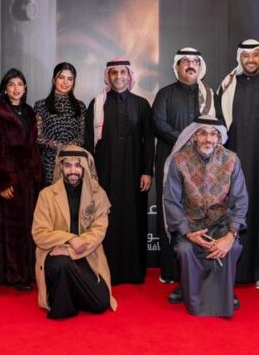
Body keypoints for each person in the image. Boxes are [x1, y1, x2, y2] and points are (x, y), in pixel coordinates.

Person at [216, 39, 259, 290]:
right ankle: (233, 268)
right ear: (240, 58)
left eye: (256, 55)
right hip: (232, 164)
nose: (251, 60)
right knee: (233, 212)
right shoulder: (227, 86)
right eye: (246, 56)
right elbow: (217, 130)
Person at [162, 117, 248, 317]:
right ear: (194, 136)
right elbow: (171, 201)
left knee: (233, 248)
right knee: (185, 249)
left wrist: (230, 235)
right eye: (202, 133)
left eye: (213, 134)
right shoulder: (179, 160)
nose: (208, 139)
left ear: (219, 137)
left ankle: (225, 290)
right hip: (191, 225)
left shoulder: (231, 159)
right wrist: (187, 233)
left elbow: (241, 201)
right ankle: (188, 287)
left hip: (222, 224)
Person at [83, 58, 154, 285]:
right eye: (114, 73)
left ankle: (133, 272)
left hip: (134, 173)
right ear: (108, 76)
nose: (119, 77)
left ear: (130, 75)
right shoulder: (97, 105)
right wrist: (91, 174)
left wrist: (147, 171)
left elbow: (148, 141)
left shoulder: (141, 105)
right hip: (105, 172)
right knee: (107, 218)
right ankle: (107, 269)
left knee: (133, 219)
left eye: (123, 72)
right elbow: (88, 142)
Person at [152, 47, 216, 284]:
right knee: (172, 211)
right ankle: (170, 270)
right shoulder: (165, 94)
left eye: (195, 62)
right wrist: (188, 141)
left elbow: (216, 126)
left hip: (201, 163)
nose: (190, 65)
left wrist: (198, 145)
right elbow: (158, 124)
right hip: (170, 158)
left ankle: (199, 266)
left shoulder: (209, 95)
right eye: (185, 61)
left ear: (200, 67)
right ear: (177, 66)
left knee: (198, 210)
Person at [32, 147, 117, 319]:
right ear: (60, 167)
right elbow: (39, 233)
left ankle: (68, 294)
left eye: (78, 166)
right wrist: (70, 239)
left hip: (87, 254)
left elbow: (98, 232)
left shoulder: (98, 195)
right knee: (60, 264)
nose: (73, 171)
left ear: (85, 167)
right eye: (68, 165)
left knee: (100, 302)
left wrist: (70, 250)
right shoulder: (46, 195)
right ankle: (64, 306)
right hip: (55, 254)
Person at [0, 68, 43, 291]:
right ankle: (14, 275)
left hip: (29, 178)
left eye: (19, 84)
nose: (16, 88)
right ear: (5, 89)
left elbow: (32, 146)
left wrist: (37, 175)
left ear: (25, 88)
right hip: (10, 177)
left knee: (28, 227)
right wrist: (1, 182)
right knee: (11, 229)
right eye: (11, 84)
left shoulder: (29, 112)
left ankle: (28, 271)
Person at [35, 62, 86, 185]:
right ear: (54, 80)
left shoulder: (80, 106)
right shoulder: (41, 105)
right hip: (49, 164)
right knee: (51, 196)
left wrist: (67, 148)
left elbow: (83, 136)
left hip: (74, 165)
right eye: (61, 77)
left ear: (74, 82)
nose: (65, 82)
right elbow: (37, 137)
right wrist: (56, 145)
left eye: (70, 79)